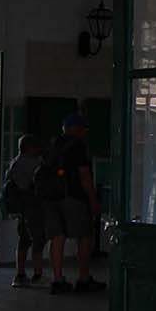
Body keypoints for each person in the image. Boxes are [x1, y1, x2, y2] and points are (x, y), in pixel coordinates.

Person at [41, 112, 103, 294]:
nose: (85, 132)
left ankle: (58, 279)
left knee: (57, 238)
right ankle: (83, 278)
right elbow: (84, 176)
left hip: (51, 198)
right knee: (84, 236)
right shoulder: (78, 146)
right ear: (77, 129)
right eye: (84, 129)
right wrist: (93, 200)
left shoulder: (52, 145)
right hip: (73, 197)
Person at [2, 134, 47, 287]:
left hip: (22, 208)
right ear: (30, 148)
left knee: (24, 240)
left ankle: (20, 274)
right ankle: (38, 274)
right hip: (32, 206)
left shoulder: (15, 162)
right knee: (38, 239)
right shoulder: (32, 163)